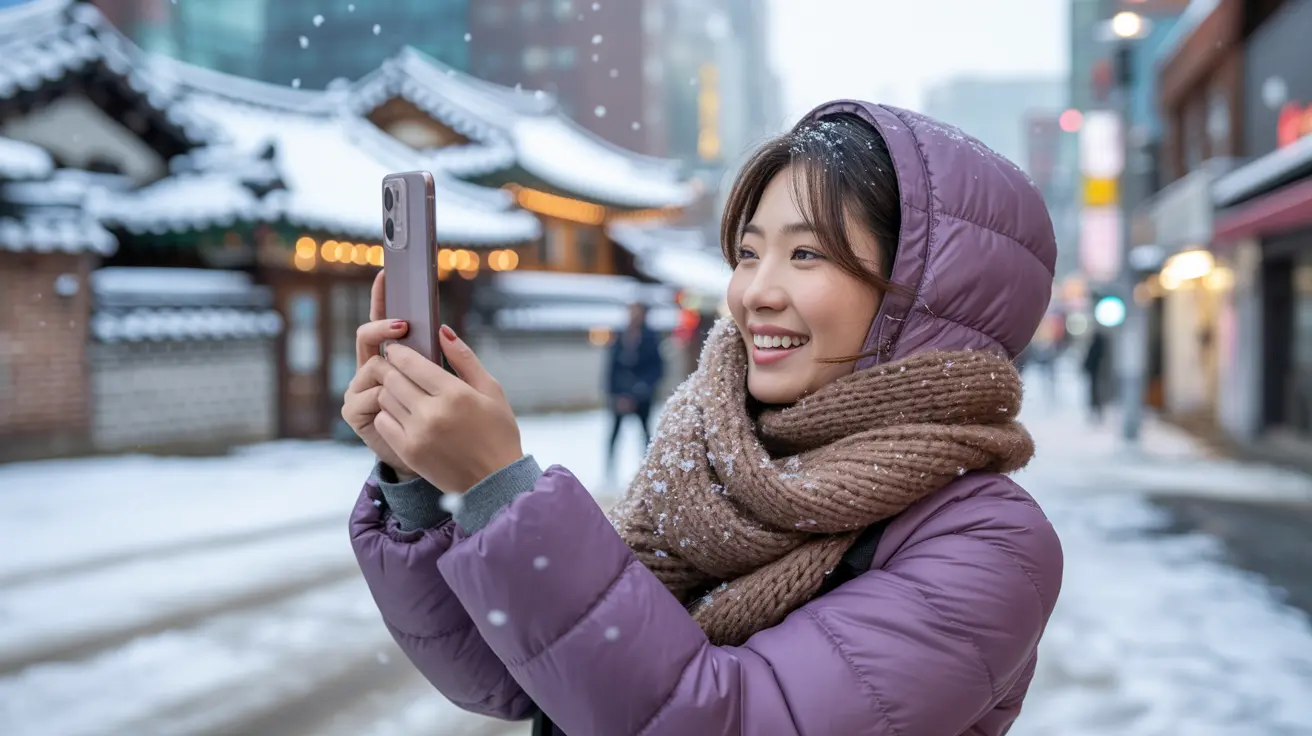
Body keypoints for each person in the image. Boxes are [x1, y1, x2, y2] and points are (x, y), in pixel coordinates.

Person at [342, 100, 1063, 735]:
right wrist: (415, 484)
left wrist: (502, 491)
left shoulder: (989, 545)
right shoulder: (706, 464)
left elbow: (725, 716)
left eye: (806, 253)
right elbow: (520, 679)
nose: (755, 293)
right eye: (748, 254)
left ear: (924, 303)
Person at [604, 302, 665, 473]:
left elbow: (657, 369)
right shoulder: (620, 335)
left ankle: (649, 469)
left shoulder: (651, 337)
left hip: (642, 396)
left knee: (645, 433)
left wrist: (639, 391)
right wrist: (616, 394)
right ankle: (610, 470)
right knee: (614, 434)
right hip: (620, 395)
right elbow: (612, 368)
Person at [1083, 327, 1108, 424]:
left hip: (1095, 372)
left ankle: (1096, 409)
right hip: (1094, 372)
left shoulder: (1096, 346)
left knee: (1095, 391)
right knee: (1094, 391)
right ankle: (1096, 410)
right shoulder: (1099, 346)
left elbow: (1091, 359)